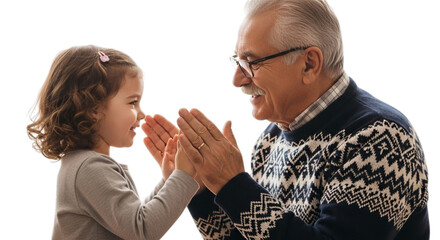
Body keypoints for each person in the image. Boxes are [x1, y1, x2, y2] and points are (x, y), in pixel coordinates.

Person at [144, 0, 429, 239]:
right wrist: (204, 189)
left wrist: (233, 185)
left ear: (309, 64)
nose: (238, 79)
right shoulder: (271, 138)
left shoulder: (380, 140)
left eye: (251, 62)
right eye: (238, 61)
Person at [27, 45, 199, 240]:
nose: (141, 113)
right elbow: (142, 230)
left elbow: (131, 222)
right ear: (93, 108)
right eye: (133, 102)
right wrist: (183, 175)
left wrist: (169, 182)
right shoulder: (89, 168)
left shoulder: (82, 164)